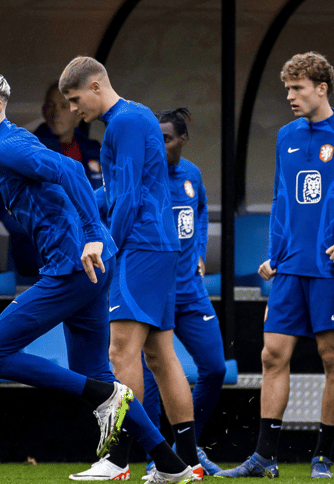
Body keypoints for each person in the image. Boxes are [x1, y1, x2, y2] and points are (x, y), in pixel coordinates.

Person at [0, 70, 194, 484]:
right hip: (85, 267)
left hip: (75, 268)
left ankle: (107, 399)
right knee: (95, 373)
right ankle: (171, 464)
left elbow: (74, 173)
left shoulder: (10, 148)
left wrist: (94, 236)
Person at [218, 52, 334, 479]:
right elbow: (282, 199)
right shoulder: (285, 136)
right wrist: (274, 255)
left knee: (332, 357)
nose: (291, 97)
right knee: (271, 355)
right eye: (287, 89)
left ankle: (323, 455)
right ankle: (264, 457)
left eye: (297, 88)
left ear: (322, 88)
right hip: (290, 268)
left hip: (332, 272)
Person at [59, 57, 202, 479]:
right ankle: (189, 460)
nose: (73, 109)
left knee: (120, 351)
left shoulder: (124, 122)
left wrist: (106, 243)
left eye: (75, 98)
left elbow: (131, 196)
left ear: (96, 85)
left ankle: (118, 459)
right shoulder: (133, 119)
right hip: (156, 246)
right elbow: (117, 190)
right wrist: (81, 206)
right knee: (160, 354)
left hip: (141, 245)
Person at [139, 108, 227, 478]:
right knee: (151, 377)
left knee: (215, 368)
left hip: (190, 291)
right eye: (155, 138)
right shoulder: (144, 175)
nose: (160, 145)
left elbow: (203, 211)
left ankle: (185, 448)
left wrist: (202, 252)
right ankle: (157, 455)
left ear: (182, 140)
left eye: (167, 138)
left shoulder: (192, 174)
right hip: (155, 293)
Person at [8, 81, 103, 279]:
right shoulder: (26, 149)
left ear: (77, 112)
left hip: (91, 247)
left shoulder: (94, 151)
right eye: (51, 105)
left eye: (63, 105)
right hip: (44, 253)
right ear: (43, 110)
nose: (56, 112)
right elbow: (6, 206)